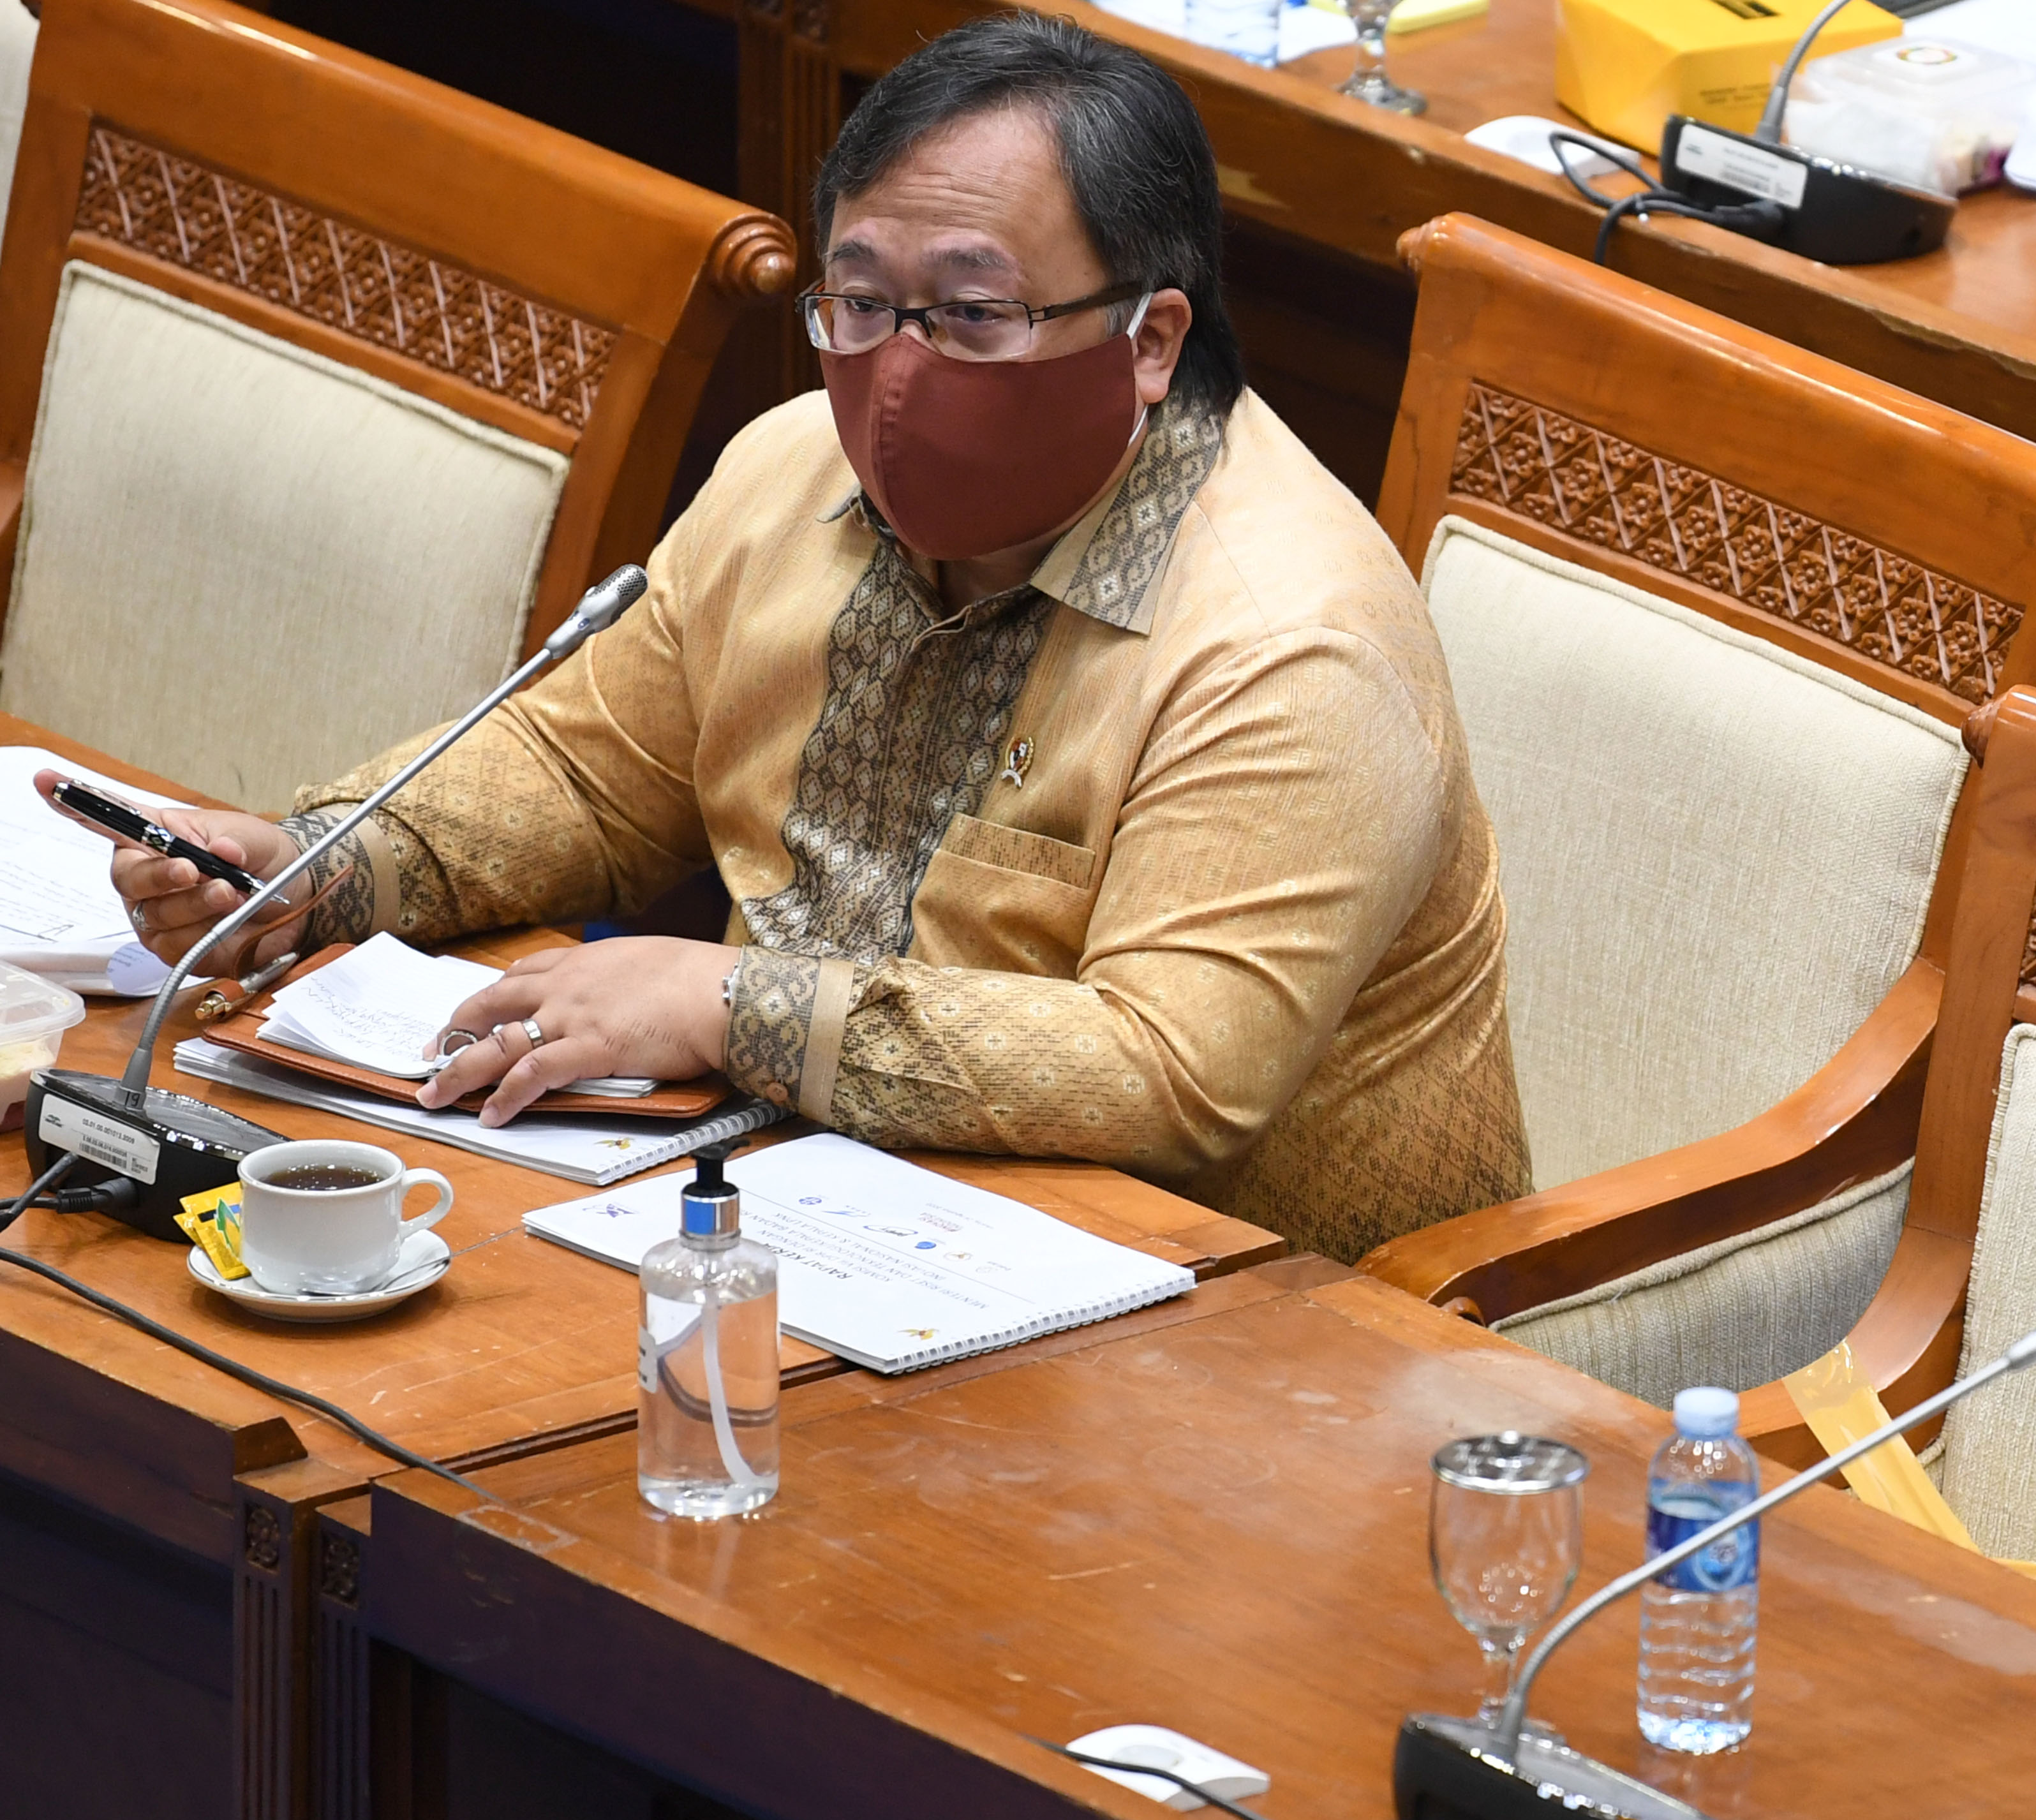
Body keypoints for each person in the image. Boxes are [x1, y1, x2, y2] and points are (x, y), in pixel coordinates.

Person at [92, 12, 1529, 1261]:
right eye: (859, 303)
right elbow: (591, 771)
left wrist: (734, 1004)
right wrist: (323, 865)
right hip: (791, 1210)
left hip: (1245, 1331)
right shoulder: (793, 470)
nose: (896, 376)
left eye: (973, 314)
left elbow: (1174, 1072)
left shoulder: (1288, 640)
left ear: (1150, 340)